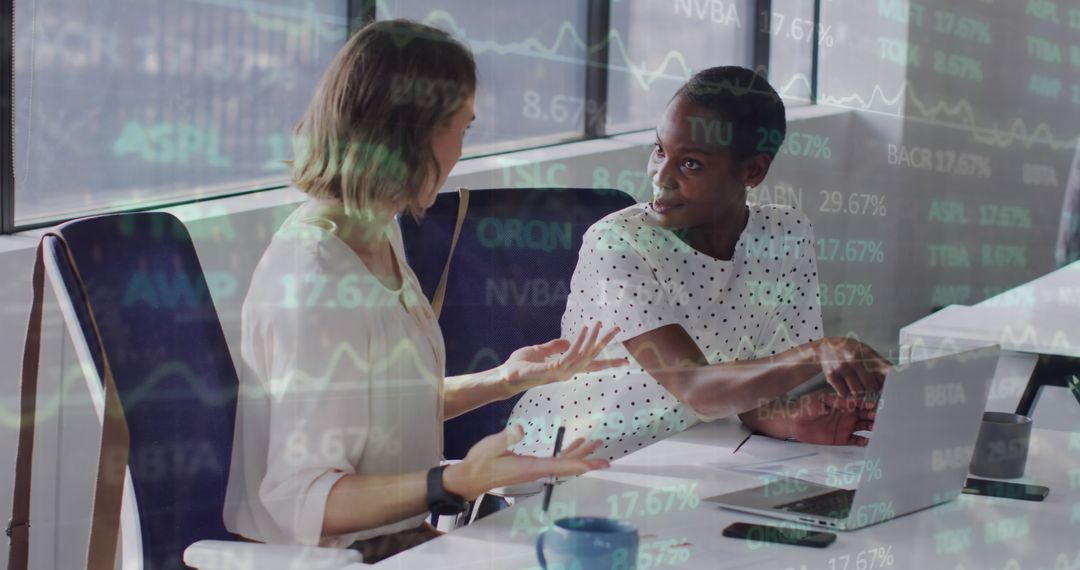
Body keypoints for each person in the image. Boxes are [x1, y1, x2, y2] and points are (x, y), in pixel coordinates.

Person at [223, 20, 624, 562]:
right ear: (410, 135)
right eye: (461, 129)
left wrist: (504, 379)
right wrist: (454, 482)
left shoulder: (374, 232)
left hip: (397, 542)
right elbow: (304, 499)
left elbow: (382, 408)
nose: (462, 150)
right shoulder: (313, 280)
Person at [509, 66, 890, 461]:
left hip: (688, 455)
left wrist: (793, 421)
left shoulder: (783, 234)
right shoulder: (617, 243)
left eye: (690, 164)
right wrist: (819, 351)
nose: (662, 177)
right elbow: (696, 390)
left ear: (753, 171)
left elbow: (751, 395)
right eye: (660, 150)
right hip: (563, 465)